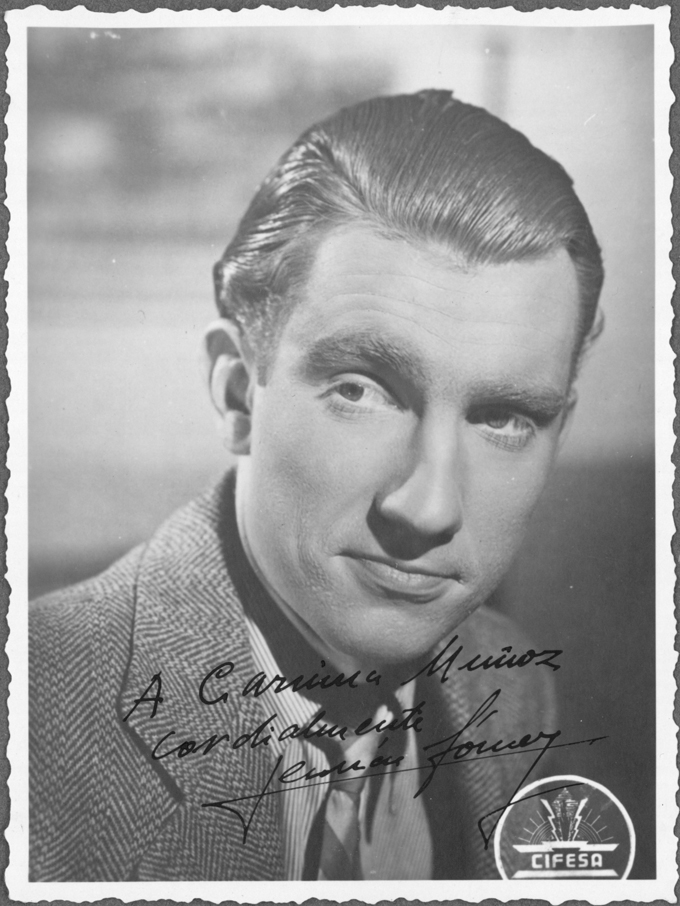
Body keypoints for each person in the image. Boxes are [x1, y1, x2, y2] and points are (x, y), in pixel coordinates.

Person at [29, 89, 603, 882]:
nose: (428, 507)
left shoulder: (516, 687)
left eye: (505, 417)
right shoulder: (31, 715)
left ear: (558, 430)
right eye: (360, 390)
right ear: (238, 394)